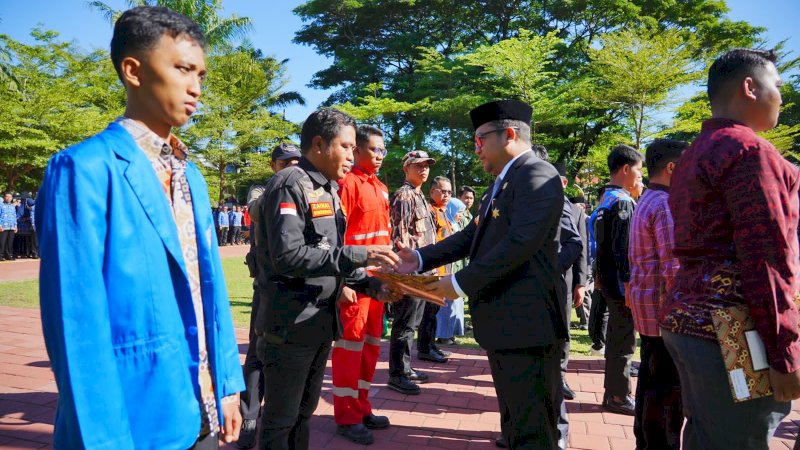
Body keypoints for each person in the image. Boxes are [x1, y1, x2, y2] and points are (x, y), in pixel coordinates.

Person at [35, 7, 245, 448]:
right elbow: (75, 323)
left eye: (201, 75)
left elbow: (209, 288)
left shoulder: (192, 176)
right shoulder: (84, 169)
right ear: (133, 70)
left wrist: (227, 384)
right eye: (183, 69)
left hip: (204, 407)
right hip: (134, 419)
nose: (195, 88)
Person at [397, 99, 567, 449]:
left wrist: (456, 284)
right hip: (506, 326)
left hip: (526, 327)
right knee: (516, 422)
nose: (476, 150)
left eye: (479, 140)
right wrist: (417, 258)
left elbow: (520, 243)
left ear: (507, 134)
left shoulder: (537, 174)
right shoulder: (504, 181)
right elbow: (472, 236)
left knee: (533, 427)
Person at [660, 48, 800, 449]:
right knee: (741, 439)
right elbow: (766, 258)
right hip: (734, 331)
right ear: (750, 87)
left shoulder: (691, 155)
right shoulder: (751, 152)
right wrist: (785, 354)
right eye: (778, 85)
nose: (782, 96)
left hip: (687, 320)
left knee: (706, 435)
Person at [252, 108, 398, 450]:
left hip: (318, 323)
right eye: (346, 147)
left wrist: (372, 285)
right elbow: (288, 257)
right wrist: (358, 255)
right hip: (290, 326)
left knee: (304, 413)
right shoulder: (290, 185)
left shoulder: (328, 188)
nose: (352, 155)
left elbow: (329, 253)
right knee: (280, 420)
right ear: (319, 144)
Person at [329, 124, 393, 445]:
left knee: (370, 346)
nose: (380, 155)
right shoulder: (348, 184)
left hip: (377, 284)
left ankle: (363, 406)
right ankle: (346, 415)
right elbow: (337, 238)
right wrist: (341, 282)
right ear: (357, 151)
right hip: (354, 282)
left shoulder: (381, 187)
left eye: (383, 150)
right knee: (349, 348)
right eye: (374, 149)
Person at [237, 143, 301, 449]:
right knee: (257, 357)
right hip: (267, 289)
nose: (292, 165)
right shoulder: (261, 191)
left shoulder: (305, 190)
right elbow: (255, 210)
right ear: (273, 164)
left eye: (296, 161)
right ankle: (249, 421)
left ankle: (282, 420)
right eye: (285, 161)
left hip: (298, 291)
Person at [628, 138, 687, 449]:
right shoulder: (665, 204)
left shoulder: (648, 199)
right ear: (673, 167)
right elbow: (674, 267)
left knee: (651, 386)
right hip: (665, 312)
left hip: (649, 310)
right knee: (666, 395)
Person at [589, 144, 643, 416]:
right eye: (638, 171)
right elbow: (624, 249)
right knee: (624, 342)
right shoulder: (622, 201)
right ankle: (619, 397)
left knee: (615, 340)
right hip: (622, 285)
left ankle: (613, 393)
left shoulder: (604, 201)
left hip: (608, 282)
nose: (640, 177)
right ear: (625, 169)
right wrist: (630, 283)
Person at [386, 150, 439, 395]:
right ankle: (397, 374)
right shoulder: (404, 196)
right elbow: (399, 236)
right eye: (418, 166)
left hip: (421, 268)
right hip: (409, 270)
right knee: (405, 323)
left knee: (413, 322)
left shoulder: (420, 197)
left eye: (426, 165)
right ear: (406, 168)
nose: (424, 169)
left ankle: (406, 369)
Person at [416, 175, 455, 363]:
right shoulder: (430, 211)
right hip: (432, 271)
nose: (446, 194)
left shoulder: (443, 211)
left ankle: (431, 345)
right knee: (428, 312)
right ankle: (424, 348)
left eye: (449, 191)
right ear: (432, 192)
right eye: (442, 191)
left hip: (443, 270)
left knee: (434, 311)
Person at [435, 197, 467, 345]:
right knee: (447, 304)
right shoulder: (445, 225)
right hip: (447, 270)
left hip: (457, 269)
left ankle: (451, 332)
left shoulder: (454, 224)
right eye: (458, 212)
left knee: (456, 303)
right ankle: (443, 335)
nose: (460, 215)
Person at [0, 192, 17, 261]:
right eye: (7, 196)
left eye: (10, 197)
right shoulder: (1, 205)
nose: (9, 198)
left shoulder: (12, 206)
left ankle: (8, 255)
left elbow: (14, 216)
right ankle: (0, 255)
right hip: (3, 226)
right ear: (4, 197)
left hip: (12, 226)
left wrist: (16, 226)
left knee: (10, 242)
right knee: (2, 242)